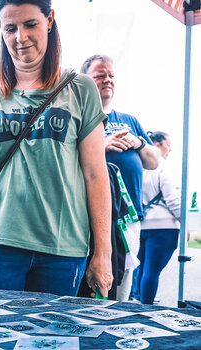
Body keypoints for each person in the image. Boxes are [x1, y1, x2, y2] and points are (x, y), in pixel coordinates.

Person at [0, 0, 113, 298]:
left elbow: (95, 174)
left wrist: (103, 253)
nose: (20, 37)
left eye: (30, 25)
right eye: (10, 28)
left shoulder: (82, 88)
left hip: (63, 248)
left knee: (54, 342)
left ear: (49, 20)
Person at [81, 54, 160, 301]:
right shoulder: (81, 117)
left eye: (111, 76)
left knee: (123, 283)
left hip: (129, 217)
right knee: (92, 285)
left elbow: (154, 160)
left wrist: (138, 142)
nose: (108, 80)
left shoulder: (128, 120)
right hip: (90, 216)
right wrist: (99, 146)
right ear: (86, 80)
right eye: (100, 75)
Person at [137, 131, 181, 305]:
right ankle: (146, 309)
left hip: (142, 226)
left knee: (142, 270)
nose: (170, 149)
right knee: (152, 272)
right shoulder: (164, 167)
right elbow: (173, 199)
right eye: (168, 144)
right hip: (164, 227)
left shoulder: (139, 167)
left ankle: (139, 305)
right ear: (157, 145)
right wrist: (183, 222)